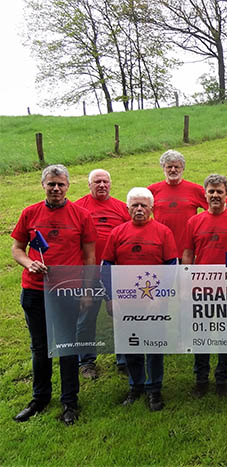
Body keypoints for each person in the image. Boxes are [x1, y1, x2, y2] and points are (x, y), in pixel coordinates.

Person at [11, 164, 96, 425]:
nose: (56, 188)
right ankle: (40, 397)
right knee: (40, 347)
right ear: (43, 185)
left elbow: (91, 256)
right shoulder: (30, 213)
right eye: (51, 184)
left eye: (60, 184)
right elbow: (17, 248)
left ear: (68, 186)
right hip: (35, 290)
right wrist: (29, 263)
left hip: (67, 290)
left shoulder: (81, 215)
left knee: (67, 345)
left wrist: (87, 291)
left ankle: (69, 401)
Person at [102, 187, 178, 412]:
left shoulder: (163, 232)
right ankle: (135, 387)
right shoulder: (117, 233)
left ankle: (154, 389)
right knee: (131, 346)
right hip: (126, 303)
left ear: (152, 208)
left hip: (154, 303)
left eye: (143, 205)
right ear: (127, 208)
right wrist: (110, 297)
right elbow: (106, 267)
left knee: (154, 346)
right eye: (134, 205)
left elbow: (171, 267)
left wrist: (160, 296)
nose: (139, 209)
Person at [182, 174, 227, 398]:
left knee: (226, 335)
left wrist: (226, 270)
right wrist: (186, 281)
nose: (215, 195)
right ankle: (201, 379)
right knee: (201, 334)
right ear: (205, 193)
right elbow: (187, 254)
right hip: (201, 289)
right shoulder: (194, 221)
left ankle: (222, 378)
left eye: (219, 191)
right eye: (211, 191)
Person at [74, 169, 131, 379]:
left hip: (115, 274)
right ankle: (86, 361)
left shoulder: (121, 208)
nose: (101, 185)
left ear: (111, 184)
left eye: (105, 182)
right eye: (97, 182)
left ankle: (124, 359)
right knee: (86, 317)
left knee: (120, 316)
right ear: (89, 185)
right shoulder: (79, 207)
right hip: (88, 273)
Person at [147, 150, 207, 259]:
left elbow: (213, 210)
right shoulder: (152, 190)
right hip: (160, 249)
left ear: (183, 168)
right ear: (163, 168)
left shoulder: (195, 190)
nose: (173, 170)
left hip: (187, 251)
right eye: (169, 167)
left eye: (177, 167)